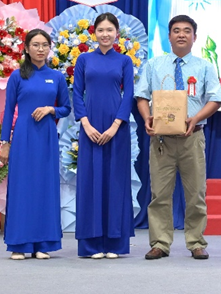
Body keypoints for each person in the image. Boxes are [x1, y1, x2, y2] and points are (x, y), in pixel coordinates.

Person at [135, 14, 221, 260]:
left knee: (195, 194)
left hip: (192, 137)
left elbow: (215, 99)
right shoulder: (153, 65)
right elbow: (141, 96)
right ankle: (160, 243)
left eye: (186, 31)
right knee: (159, 194)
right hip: (161, 139)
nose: (181, 34)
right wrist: (147, 118)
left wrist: (195, 118)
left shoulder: (205, 66)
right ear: (169, 36)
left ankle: (196, 242)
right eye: (176, 30)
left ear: (194, 37)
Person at [0, 29, 71, 260]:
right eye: (36, 45)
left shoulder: (57, 77)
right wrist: (5, 143)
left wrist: (51, 109)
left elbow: (66, 108)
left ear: (50, 48)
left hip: (47, 137)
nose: (41, 49)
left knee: (45, 187)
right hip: (23, 137)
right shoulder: (17, 76)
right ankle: (19, 244)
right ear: (27, 48)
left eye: (45, 45)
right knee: (22, 188)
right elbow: (8, 110)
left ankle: (43, 244)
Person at [72, 13, 135, 259]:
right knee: (90, 183)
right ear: (94, 33)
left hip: (116, 129)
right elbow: (77, 93)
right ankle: (91, 245)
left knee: (115, 182)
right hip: (90, 128)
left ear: (117, 33)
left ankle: (115, 244)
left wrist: (115, 126)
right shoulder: (84, 59)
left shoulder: (125, 61)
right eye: (101, 30)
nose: (105, 34)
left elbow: (128, 95)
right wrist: (86, 125)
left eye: (110, 30)